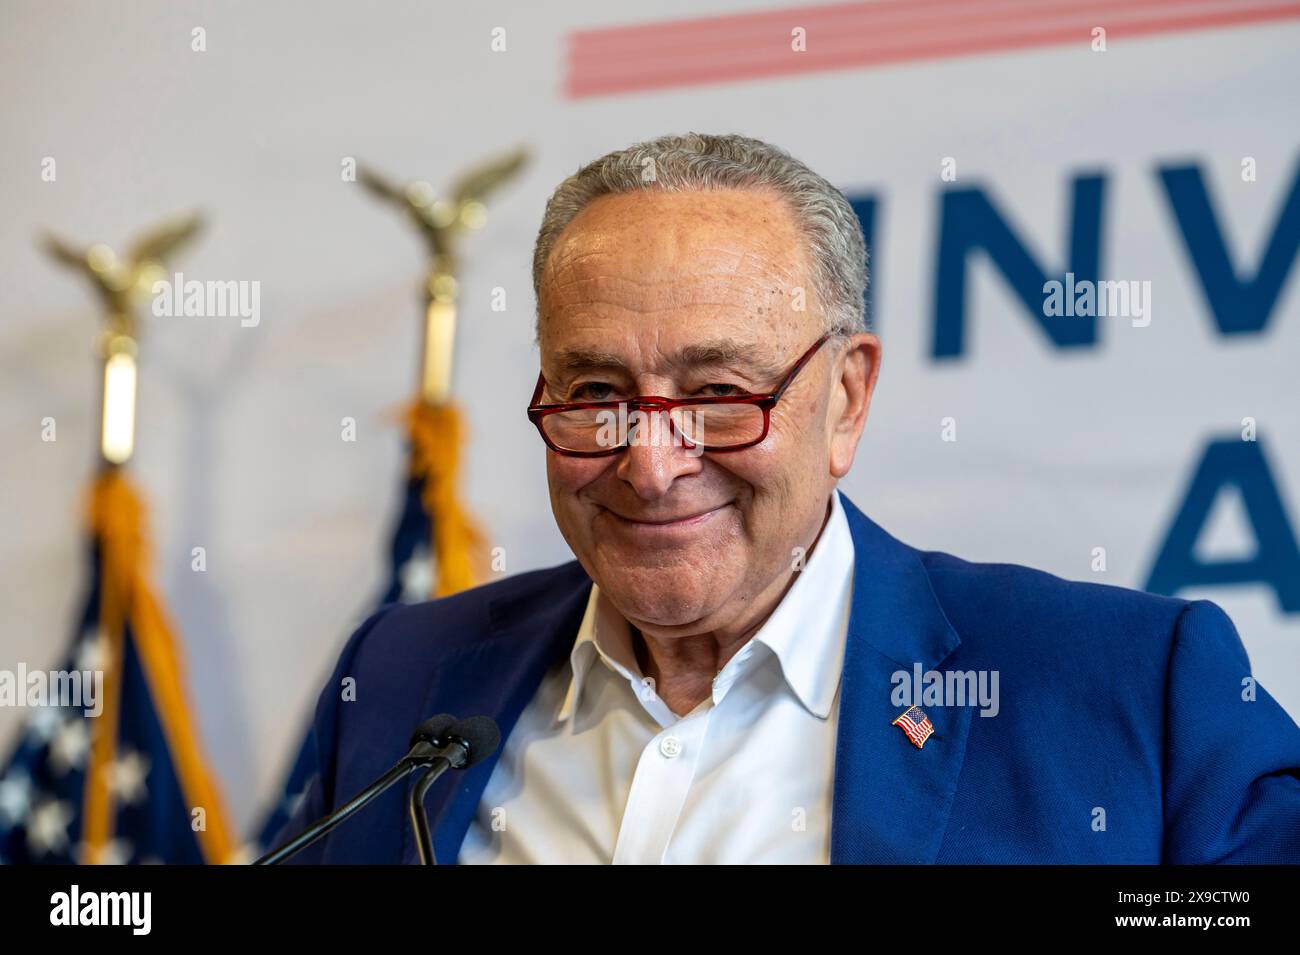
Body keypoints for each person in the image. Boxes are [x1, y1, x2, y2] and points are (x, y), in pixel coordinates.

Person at [277, 133, 1300, 864]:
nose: (652, 463)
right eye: (596, 395)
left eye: (720, 394)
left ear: (845, 398)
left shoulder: (1128, 690)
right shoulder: (403, 677)